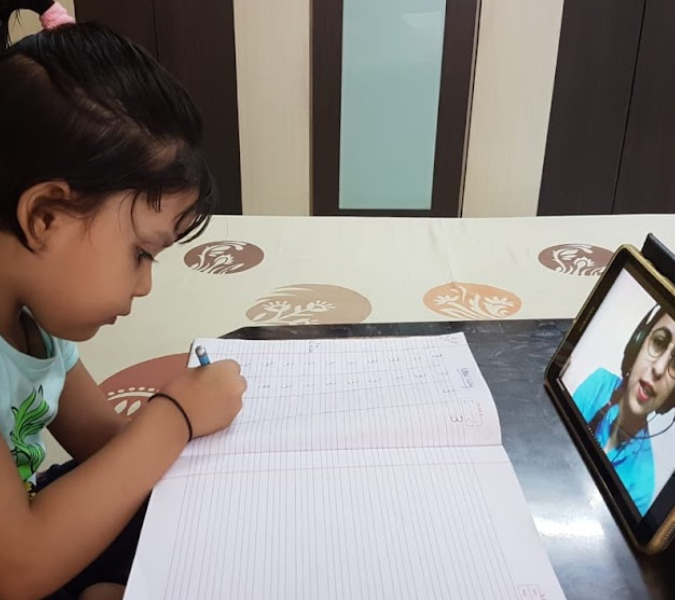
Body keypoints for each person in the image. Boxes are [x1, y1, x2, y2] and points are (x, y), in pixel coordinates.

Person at [0, 2, 246, 599]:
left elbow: (101, 441)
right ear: (45, 216)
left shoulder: (32, 319)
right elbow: (18, 567)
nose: (144, 285)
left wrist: (189, 436)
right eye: (140, 252)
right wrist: (174, 416)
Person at [573, 305, 675, 516]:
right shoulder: (599, 383)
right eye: (658, 342)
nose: (658, 369)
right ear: (637, 344)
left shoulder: (643, 481)